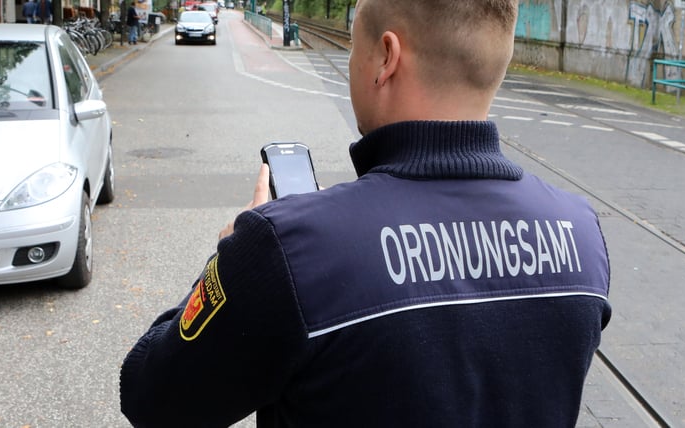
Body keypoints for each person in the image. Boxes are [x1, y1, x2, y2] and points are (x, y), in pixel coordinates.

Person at [120, 0, 612, 426]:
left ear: (386, 58)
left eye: (354, 48)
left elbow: (151, 397)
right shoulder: (583, 235)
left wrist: (229, 259)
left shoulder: (290, 248)